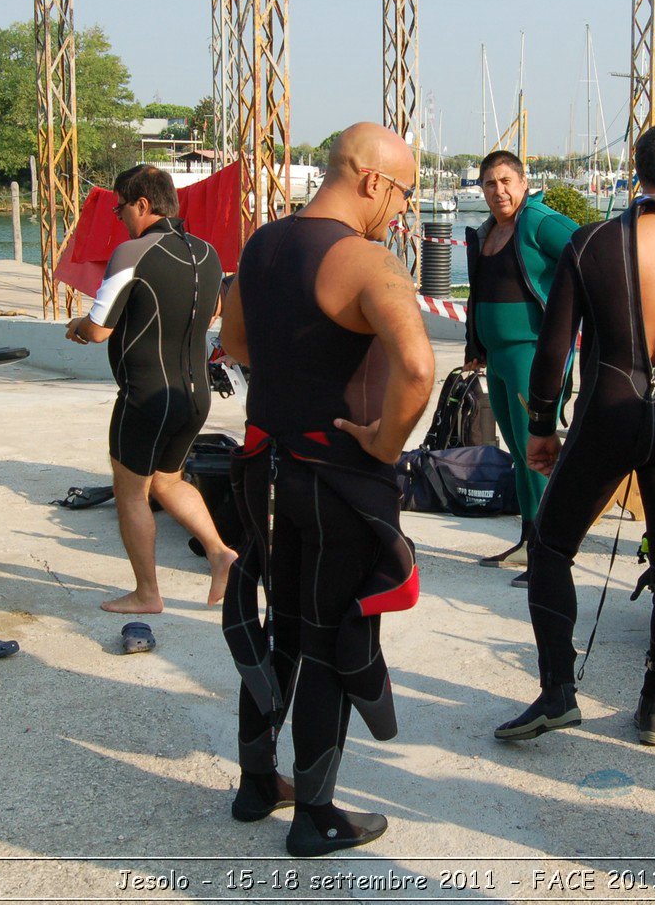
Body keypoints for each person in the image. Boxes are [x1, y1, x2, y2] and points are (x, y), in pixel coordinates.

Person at [494, 120, 655, 746]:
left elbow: (553, 350)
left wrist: (539, 427)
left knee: (553, 547)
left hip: (606, 412)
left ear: (638, 172)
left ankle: (558, 692)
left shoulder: (592, 244)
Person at [218, 123, 435, 857]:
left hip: (260, 464)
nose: (401, 209)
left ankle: (256, 784)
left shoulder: (261, 244)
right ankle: (316, 815)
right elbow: (416, 370)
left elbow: (239, 345)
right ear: (371, 179)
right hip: (330, 474)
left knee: (279, 619)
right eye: (402, 192)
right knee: (330, 638)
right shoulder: (367, 259)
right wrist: (383, 441)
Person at [63, 165, 234, 614]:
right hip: (195, 395)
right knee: (168, 481)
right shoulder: (208, 253)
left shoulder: (132, 252)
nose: (119, 217)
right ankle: (220, 552)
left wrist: (77, 326)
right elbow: (214, 312)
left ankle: (146, 593)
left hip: (146, 396)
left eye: (120, 208)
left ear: (142, 204)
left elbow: (100, 329)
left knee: (130, 492)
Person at [462, 149, 578, 580]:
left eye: (506, 180)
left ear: (524, 182)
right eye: (490, 183)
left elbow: (587, 244)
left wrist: (573, 310)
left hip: (533, 354)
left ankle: (551, 549)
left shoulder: (536, 221)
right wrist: (475, 344)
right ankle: (531, 539)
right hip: (497, 357)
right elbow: (480, 294)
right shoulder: (486, 232)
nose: (499, 190)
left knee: (539, 451)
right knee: (519, 451)